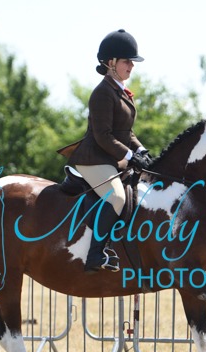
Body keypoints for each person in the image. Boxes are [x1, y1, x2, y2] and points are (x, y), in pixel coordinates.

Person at [59, 29, 153, 274]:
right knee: (117, 197)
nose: (131, 66)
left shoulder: (120, 91)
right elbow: (103, 136)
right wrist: (130, 156)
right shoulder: (102, 92)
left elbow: (126, 132)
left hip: (111, 158)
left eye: (132, 61)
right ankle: (96, 254)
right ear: (111, 62)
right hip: (93, 158)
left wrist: (142, 150)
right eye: (127, 61)